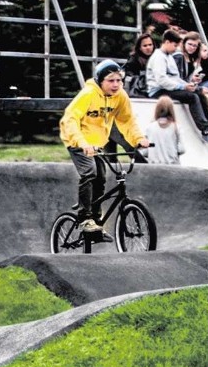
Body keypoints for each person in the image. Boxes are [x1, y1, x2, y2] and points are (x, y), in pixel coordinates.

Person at [60, 59, 150, 238]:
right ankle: (85, 218)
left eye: (119, 80)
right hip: (77, 140)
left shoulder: (120, 96)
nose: (116, 85)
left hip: (97, 144)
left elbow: (127, 120)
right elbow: (69, 120)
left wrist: (138, 139)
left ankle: (95, 220)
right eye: (111, 80)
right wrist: (82, 143)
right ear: (101, 80)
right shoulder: (88, 94)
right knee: (90, 172)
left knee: (101, 178)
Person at [145, 29, 208, 145]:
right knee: (192, 97)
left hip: (168, 88)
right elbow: (162, 80)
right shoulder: (159, 57)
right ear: (167, 42)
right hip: (158, 91)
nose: (176, 49)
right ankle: (205, 131)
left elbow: (175, 77)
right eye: (175, 45)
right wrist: (182, 87)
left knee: (199, 94)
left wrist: (188, 85)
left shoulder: (168, 56)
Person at [173, 32, 208, 136]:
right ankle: (205, 129)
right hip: (173, 88)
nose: (192, 48)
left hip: (184, 85)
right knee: (195, 96)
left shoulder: (190, 59)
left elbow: (185, 78)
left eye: (194, 46)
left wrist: (193, 81)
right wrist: (197, 88)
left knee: (203, 95)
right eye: (190, 44)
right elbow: (176, 79)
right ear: (184, 43)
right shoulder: (178, 57)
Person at [143, 95, 185, 164]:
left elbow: (145, 152)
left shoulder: (150, 127)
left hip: (154, 167)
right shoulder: (176, 127)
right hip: (172, 167)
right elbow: (182, 149)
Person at [122, 32, 155, 97]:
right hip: (138, 91)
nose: (148, 47)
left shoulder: (157, 57)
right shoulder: (133, 59)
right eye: (145, 46)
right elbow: (129, 77)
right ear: (140, 47)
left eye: (150, 45)